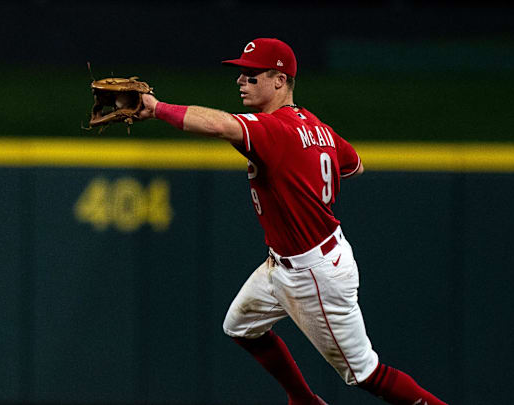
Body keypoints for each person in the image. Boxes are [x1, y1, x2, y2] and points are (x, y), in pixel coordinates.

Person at [138, 38, 447, 405]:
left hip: (313, 271)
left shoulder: (276, 130)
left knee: (365, 373)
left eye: (252, 76)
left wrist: (157, 108)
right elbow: (354, 165)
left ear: (280, 80)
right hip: (287, 261)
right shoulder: (316, 127)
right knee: (240, 326)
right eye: (241, 75)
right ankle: (303, 399)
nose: (241, 82)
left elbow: (220, 125)